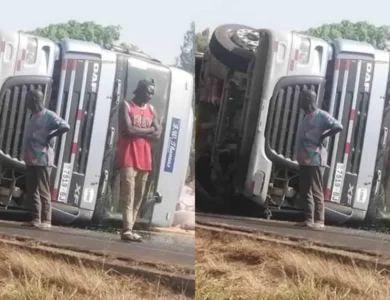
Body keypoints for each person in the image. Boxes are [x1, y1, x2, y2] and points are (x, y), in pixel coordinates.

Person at [117, 79, 161, 242]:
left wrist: (138, 132)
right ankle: (127, 229)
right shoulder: (126, 106)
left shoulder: (152, 109)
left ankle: (130, 228)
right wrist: (149, 130)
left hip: (145, 157)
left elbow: (158, 132)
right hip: (128, 155)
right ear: (140, 90)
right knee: (128, 193)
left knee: (139, 196)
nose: (151, 96)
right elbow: (127, 129)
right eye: (149, 92)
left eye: (152, 93)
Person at [23, 89, 70, 229]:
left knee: (43, 189)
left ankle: (47, 220)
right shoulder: (33, 116)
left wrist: (50, 137)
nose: (26, 102)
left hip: (43, 158)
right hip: (31, 158)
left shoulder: (49, 115)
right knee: (32, 190)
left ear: (34, 100)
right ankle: (36, 219)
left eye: (28, 99)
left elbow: (65, 126)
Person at [297, 89, 343, 229]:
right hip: (304, 159)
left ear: (307, 99)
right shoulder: (306, 116)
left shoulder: (322, 115)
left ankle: (319, 220)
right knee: (305, 189)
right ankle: (309, 219)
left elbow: (338, 126)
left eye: (301, 99)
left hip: (316, 158)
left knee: (316, 189)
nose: (299, 102)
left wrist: (324, 137)